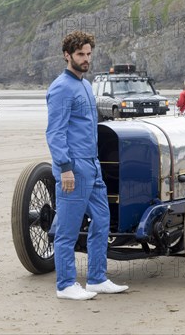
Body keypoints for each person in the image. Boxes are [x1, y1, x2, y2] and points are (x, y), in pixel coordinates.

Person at [46, 31, 128, 300]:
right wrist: (65, 167)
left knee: (102, 219)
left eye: (89, 54)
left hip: (92, 164)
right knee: (68, 229)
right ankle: (66, 285)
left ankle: (96, 278)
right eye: (80, 54)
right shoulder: (60, 88)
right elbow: (55, 132)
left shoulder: (85, 84)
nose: (85, 59)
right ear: (67, 55)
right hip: (74, 167)